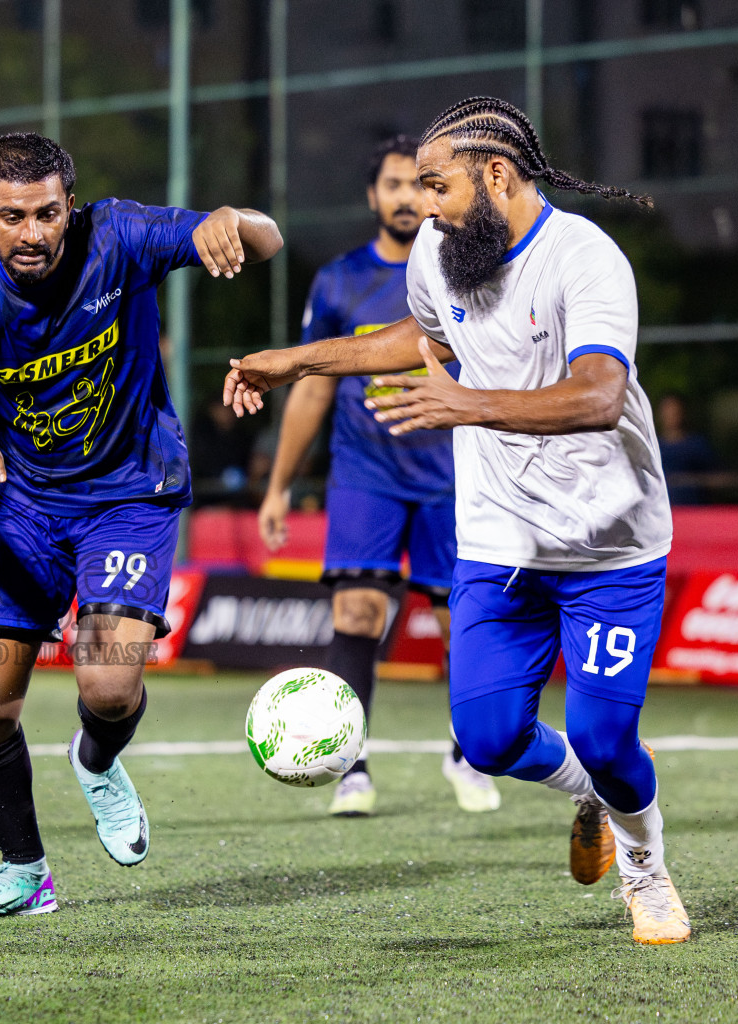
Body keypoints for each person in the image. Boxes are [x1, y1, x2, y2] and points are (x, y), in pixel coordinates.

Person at [224, 97, 689, 945]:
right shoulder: (439, 256)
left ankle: (646, 870)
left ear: (498, 175)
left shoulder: (585, 258)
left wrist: (466, 403)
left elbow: (598, 395)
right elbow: (416, 334)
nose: (425, 205)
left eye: (439, 185)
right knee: (486, 737)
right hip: (500, 538)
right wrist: (296, 362)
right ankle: (589, 791)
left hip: (609, 543)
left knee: (605, 733)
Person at [0, 132, 282, 918]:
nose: (32, 233)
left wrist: (231, 219)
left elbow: (264, 240)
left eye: (46, 213)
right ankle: (23, 874)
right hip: (22, 505)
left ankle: (96, 759)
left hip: (128, 494)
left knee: (104, 684)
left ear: (71, 204)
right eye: (11, 217)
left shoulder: (121, 234)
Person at [259, 135, 498, 817]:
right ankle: (350, 764)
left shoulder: (464, 270)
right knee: (358, 611)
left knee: (463, 621)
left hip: (454, 468)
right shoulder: (337, 281)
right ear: (373, 196)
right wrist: (280, 485)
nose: (404, 197)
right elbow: (310, 390)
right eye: (391, 184)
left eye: (415, 184)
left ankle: (468, 754)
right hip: (366, 472)